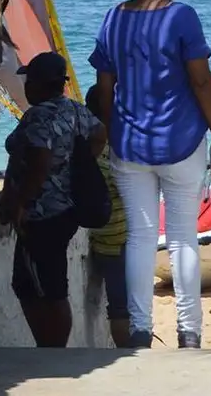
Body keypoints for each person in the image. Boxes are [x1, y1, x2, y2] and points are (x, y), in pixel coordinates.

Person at [89, 0, 211, 349]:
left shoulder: (113, 18)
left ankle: (139, 330)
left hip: (130, 147)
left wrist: (114, 135)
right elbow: (201, 80)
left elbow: (105, 87)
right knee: (183, 237)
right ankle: (189, 332)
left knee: (141, 238)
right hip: (181, 144)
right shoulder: (181, 17)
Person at [0, 52, 106, 347]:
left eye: (29, 81)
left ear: (39, 84)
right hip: (65, 209)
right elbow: (100, 133)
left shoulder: (40, 115)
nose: (26, 87)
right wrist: (77, 166)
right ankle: (50, 348)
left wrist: (21, 200)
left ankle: (52, 350)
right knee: (40, 280)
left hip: (42, 212)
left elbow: (40, 160)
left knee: (42, 284)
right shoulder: (74, 110)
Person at [84, 85, 130, 347]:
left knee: (119, 303)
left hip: (102, 238)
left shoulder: (87, 150)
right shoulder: (114, 153)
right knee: (123, 305)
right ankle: (128, 354)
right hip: (120, 239)